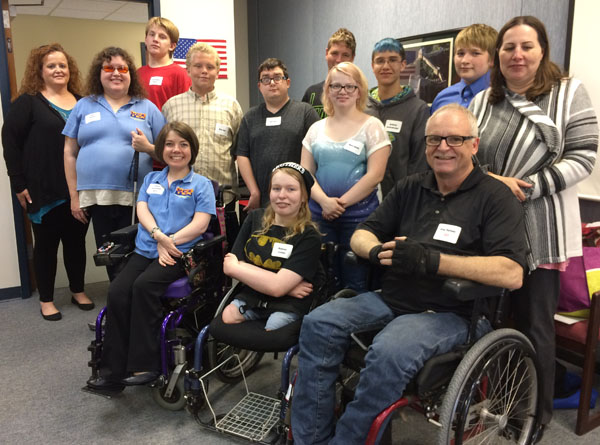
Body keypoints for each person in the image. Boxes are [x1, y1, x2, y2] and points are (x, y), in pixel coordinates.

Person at [291, 104, 527, 444]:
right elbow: (362, 233)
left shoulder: (495, 197)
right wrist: (374, 252)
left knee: (389, 349)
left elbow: (512, 273)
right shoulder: (410, 188)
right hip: (393, 297)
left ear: (474, 145)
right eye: (434, 139)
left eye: (455, 139)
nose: (443, 147)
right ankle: (310, 438)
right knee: (318, 323)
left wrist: (433, 261)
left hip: (454, 312)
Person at [469, 15, 599, 436]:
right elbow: (467, 159)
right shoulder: (483, 102)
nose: (517, 55)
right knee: (494, 321)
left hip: (543, 228)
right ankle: (501, 400)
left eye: (527, 46)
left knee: (536, 326)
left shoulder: (567, 94)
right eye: (509, 47)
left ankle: (535, 414)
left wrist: (523, 188)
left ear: (543, 50)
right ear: (498, 55)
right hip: (490, 228)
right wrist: (492, 183)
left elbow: (584, 157)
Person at [86, 121, 216, 391]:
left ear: (192, 149)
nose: (176, 150)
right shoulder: (151, 179)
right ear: (160, 148)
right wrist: (158, 236)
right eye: (169, 144)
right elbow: (142, 211)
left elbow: (201, 224)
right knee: (119, 291)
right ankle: (112, 371)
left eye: (183, 144)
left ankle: (145, 364)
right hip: (146, 248)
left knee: (144, 288)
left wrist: (168, 242)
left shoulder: (201, 185)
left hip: (180, 253)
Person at [2, 43, 93, 320]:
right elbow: (10, 142)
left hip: (78, 187)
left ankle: (78, 290)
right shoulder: (28, 102)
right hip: (43, 189)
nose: (58, 70)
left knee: (77, 242)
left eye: (62, 65)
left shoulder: (82, 101)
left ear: (70, 70)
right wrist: (18, 183)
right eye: (51, 65)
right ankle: (47, 299)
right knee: (46, 246)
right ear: (40, 71)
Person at [63, 47, 166, 281]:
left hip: (136, 196)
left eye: (122, 68)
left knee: (137, 252)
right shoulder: (84, 105)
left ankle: (130, 302)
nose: (116, 73)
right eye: (109, 68)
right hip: (98, 195)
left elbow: (167, 151)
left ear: (131, 74)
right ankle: (120, 302)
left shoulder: (147, 107)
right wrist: (74, 196)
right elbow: (69, 152)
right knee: (110, 254)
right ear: (99, 74)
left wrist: (147, 147)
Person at [301, 61, 390, 292]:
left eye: (349, 86)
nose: (342, 91)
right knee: (322, 277)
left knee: (356, 278)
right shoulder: (316, 129)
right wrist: (324, 202)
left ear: (359, 90)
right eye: (336, 86)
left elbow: (375, 175)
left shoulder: (373, 126)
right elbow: (305, 173)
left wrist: (339, 204)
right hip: (319, 215)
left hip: (359, 217)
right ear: (327, 90)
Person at [221, 162, 322, 330]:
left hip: (290, 301)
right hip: (255, 294)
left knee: (274, 327)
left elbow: (238, 268)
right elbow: (230, 265)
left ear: (304, 196)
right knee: (228, 316)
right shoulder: (254, 218)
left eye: (291, 189)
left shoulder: (309, 236)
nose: (282, 195)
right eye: (276, 188)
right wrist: (284, 286)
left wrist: (280, 287)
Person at [162, 42, 242, 240]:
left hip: (223, 197)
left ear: (218, 70)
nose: (204, 71)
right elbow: (164, 149)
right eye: (198, 66)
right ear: (188, 69)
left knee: (224, 256)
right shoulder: (172, 106)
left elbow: (240, 150)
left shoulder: (231, 105)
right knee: (186, 256)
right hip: (182, 197)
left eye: (210, 66)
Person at [236, 58, 319, 211]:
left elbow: (318, 154)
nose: (272, 83)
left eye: (277, 77)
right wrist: (253, 191)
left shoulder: (305, 112)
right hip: (261, 200)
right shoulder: (250, 117)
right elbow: (242, 154)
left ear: (287, 82)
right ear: (259, 86)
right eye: (266, 79)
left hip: (298, 201)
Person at [365, 38, 430, 197]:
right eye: (380, 61)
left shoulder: (418, 110)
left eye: (392, 60)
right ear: (373, 66)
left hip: (401, 201)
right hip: (362, 200)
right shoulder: (361, 107)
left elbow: (420, 166)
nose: (386, 66)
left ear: (403, 65)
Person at [137, 17, 191, 170]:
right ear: (145, 40)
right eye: (151, 35)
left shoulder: (180, 74)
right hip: (140, 151)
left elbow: (183, 115)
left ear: (172, 45)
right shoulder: (137, 74)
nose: (155, 40)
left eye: (162, 37)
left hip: (168, 153)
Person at [430, 24, 497, 113]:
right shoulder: (442, 99)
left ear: (492, 59)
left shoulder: (503, 99)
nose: (464, 61)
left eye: (475, 53)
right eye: (460, 53)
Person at [301, 28, 356, 119]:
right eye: (334, 53)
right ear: (327, 53)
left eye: (345, 55)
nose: (339, 60)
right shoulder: (311, 93)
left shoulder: (358, 94)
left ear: (352, 58)